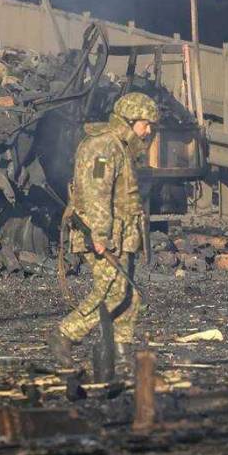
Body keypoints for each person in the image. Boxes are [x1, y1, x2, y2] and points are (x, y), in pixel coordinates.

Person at [49, 92, 160, 365]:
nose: (148, 131)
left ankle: (121, 350)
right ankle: (65, 334)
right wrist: (100, 235)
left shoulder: (120, 146)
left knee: (129, 294)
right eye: (145, 124)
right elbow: (96, 193)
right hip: (102, 234)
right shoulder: (103, 148)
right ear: (129, 120)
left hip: (122, 234)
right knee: (111, 291)